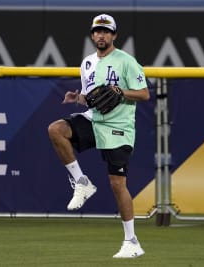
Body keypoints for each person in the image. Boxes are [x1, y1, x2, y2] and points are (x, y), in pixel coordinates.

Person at [48, 13, 150, 258]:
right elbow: (91, 97)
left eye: (106, 31)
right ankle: (81, 182)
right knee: (56, 130)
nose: (101, 35)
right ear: (92, 35)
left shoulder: (126, 61)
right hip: (95, 120)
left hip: (120, 127)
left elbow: (144, 94)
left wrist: (121, 91)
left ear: (114, 35)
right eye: (97, 31)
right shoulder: (87, 63)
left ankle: (132, 242)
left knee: (117, 185)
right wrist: (78, 98)